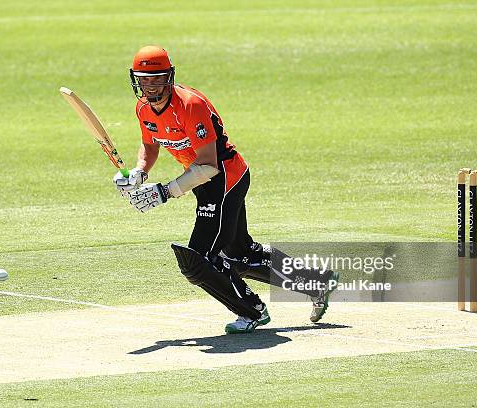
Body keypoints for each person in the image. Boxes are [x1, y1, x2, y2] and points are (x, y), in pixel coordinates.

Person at [114, 45, 338, 334]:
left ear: (169, 76)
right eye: (145, 78)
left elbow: (208, 165)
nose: (151, 85)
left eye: (157, 78)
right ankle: (317, 282)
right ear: (136, 79)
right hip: (204, 182)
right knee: (239, 255)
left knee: (198, 260)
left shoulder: (190, 105)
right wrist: (139, 172)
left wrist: (165, 192)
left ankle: (251, 311)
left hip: (225, 179)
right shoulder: (143, 107)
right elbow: (150, 143)